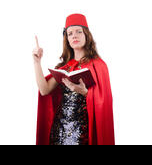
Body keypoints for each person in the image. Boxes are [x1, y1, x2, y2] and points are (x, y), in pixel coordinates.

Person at [33, 13, 115, 145]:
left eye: (78, 32)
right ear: (67, 40)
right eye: (70, 33)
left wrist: (84, 92)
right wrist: (37, 62)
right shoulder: (65, 67)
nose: (74, 35)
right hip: (59, 131)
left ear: (86, 36)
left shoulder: (99, 65)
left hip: (83, 133)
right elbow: (44, 90)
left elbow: (104, 101)